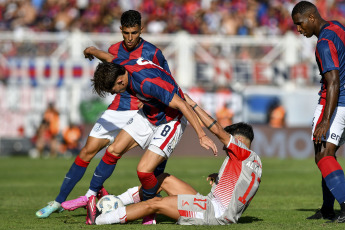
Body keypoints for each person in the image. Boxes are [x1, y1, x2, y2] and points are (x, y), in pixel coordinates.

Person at [36, 10, 172, 221]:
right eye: (125, 32)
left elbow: (167, 81)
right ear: (120, 30)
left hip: (142, 111)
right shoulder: (114, 49)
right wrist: (91, 51)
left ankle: (147, 205)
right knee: (87, 151)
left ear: (141, 30)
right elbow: (108, 65)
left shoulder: (154, 53)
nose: (129, 38)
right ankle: (58, 201)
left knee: (149, 163)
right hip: (117, 109)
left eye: (133, 33)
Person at [86, 94, 262, 225]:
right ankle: (117, 202)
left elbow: (216, 129)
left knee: (155, 203)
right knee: (162, 179)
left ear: (238, 141)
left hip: (212, 213)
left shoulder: (241, 152)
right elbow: (242, 187)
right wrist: (220, 177)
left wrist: (192, 105)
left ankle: (100, 220)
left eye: (227, 142)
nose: (224, 146)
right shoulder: (256, 163)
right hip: (212, 204)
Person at [292, 1, 345, 223]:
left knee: (323, 155)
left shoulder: (323, 43)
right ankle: (327, 209)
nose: (299, 29)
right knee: (327, 156)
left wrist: (325, 120)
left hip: (336, 103)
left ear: (311, 17)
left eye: (300, 23)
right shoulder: (337, 27)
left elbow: (332, 82)